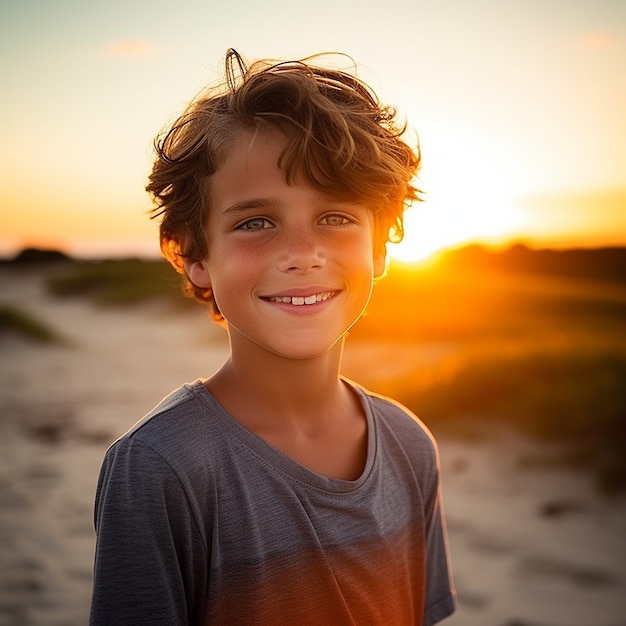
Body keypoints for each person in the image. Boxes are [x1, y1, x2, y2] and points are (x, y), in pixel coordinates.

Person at [90, 49, 456, 625]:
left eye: (335, 217)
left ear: (380, 246)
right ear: (194, 256)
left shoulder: (410, 445)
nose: (302, 255)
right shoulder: (162, 467)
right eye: (255, 222)